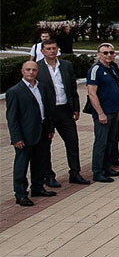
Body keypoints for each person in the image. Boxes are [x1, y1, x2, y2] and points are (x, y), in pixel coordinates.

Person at [36, 40, 87, 186]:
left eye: (54, 48)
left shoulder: (66, 65)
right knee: (46, 145)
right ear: (43, 51)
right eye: (48, 49)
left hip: (65, 109)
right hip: (48, 112)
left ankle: (75, 172)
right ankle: (48, 175)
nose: (51, 51)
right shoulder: (38, 68)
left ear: (58, 49)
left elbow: (72, 87)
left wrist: (75, 108)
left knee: (72, 142)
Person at [7, 61, 55, 206]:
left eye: (34, 70)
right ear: (22, 71)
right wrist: (16, 138)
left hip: (41, 132)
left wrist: (50, 129)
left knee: (40, 162)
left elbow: (47, 110)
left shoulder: (42, 87)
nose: (31, 72)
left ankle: (38, 187)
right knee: (22, 165)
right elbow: (12, 118)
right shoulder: (15, 91)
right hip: (24, 135)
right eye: (28, 70)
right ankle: (21, 194)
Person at [86, 43, 119, 183]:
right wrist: (100, 113)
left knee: (111, 141)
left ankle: (107, 167)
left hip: (114, 110)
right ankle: (98, 171)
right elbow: (92, 93)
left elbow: (117, 88)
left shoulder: (112, 67)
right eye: (105, 53)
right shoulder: (95, 69)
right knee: (101, 143)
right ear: (99, 54)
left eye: (111, 52)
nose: (109, 55)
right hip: (103, 112)